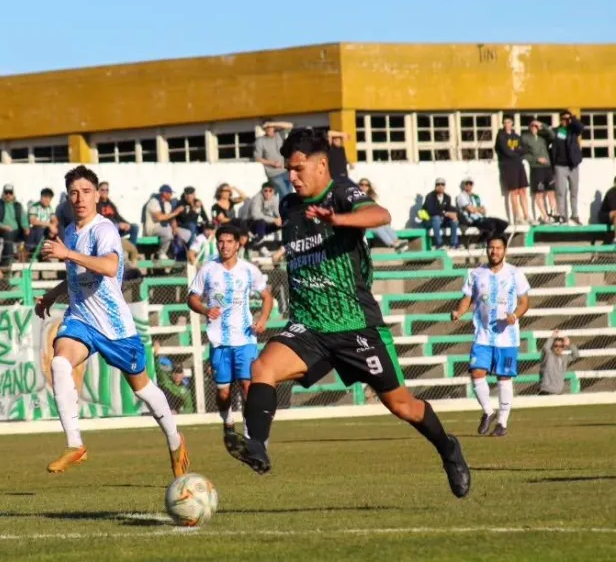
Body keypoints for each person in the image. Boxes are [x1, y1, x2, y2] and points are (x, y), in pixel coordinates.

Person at [224, 128, 470, 499]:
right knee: (262, 369)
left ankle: (448, 448)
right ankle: (257, 444)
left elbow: (380, 213)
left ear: (321, 165)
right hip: (309, 326)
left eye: (297, 168)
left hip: (356, 325)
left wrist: (339, 220)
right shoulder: (290, 206)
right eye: (288, 169)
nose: (291, 176)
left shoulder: (341, 192)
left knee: (402, 405)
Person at [35, 165, 190, 476]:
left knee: (143, 389)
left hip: (113, 325)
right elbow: (77, 275)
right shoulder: (70, 232)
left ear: (97, 196)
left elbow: (107, 266)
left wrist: (68, 255)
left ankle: (175, 440)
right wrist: (53, 294)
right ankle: (75, 444)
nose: (80, 198)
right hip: (81, 319)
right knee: (60, 362)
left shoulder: (103, 230)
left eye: (86, 192)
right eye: (74, 193)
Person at [188, 225, 272, 443]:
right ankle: (227, 421)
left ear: (238, 244)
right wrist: (206, 309)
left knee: (247, 386)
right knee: (223, 392)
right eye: (221, 242)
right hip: (219, 342)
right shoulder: (208, 270)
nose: (224, 246)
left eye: (229, 241)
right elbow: (192, 298)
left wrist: (262, 320)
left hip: (245, 338)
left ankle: (249, 430)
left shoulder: (248, 270)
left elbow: (267, 296)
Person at [451, 235, 530, 438]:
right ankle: (488, 411)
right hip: (483, 335)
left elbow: (524, 302)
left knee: (504, 378)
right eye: (490, 248)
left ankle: (502, 422)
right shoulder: (475, 273)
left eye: (498, 248)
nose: (494, 251)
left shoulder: (515, 274)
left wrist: (515, 315)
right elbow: (466, 299)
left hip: (507, 337)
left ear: (505, 250)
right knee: (477, 372)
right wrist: (459, 312)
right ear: (486, 250)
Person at [495, 117, 531, 224]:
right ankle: (518, 216)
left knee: (523, 190)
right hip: (508, 166)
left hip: (519, 165)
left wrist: (515, 150)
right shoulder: (501, 136)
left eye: (509, 122)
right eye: (505, 122)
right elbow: (506, 151)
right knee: (513, 191)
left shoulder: (516, 136)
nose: (507, 124)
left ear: (512, 123)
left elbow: (524, 149)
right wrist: (517, 151)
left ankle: (527, 215)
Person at [521, 119, 559, 224]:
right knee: (539, 193)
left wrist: (542, 124)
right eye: (532, 126)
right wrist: (536, 159)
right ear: (529, 127)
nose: (534, 128)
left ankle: (554, 213)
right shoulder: (525, 138)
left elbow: (552, 135)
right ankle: (544, 215)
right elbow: (523, 154)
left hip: (547, 167)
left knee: (551, 191)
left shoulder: (543, 138)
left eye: (536, 126)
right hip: (536, 168)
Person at [551, 110, 584, 225]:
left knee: (574, 191)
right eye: (563, 119)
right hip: (560, 166)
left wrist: (572, 118)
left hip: (573, 165)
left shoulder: (573, 130)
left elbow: (581, 127)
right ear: (560, 119)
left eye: (566, 119)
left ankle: (574, 215)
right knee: (561, 192)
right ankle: (562, 216)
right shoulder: (556, 131)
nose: (565, 121)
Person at [357, 179, 408, 252]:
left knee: (385, 225)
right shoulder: (355, 197)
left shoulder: (370, 198)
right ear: (358, 186)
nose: (364, 187)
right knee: (377, 227)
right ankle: (393, 244)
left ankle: (397, 241)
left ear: (369, 187)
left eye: (366, 185)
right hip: (361, 224)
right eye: (361, 184)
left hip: (371, 221)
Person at [456, 178, 508, 245]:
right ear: (464, 185)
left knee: (503, 224)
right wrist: (478, 209)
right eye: (467, 184)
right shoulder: (461, 196)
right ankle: (480, 242)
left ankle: (491, 240)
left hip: (482, 217)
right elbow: (471, 210)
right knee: (491, 226)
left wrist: (476, 209)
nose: (469, 186)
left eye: (470, 184)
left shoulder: (476, 196)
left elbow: (484, 211)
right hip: (472, 220)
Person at [253, 120, 294, 197]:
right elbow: (257, 158)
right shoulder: (260, 141)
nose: (269, 129)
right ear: (263, 129)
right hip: (274, 174)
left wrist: (272, 123)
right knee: (285, 194)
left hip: (286, 171)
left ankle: (286, 209)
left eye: (270, 127)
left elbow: (290, 125)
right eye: (266, 127)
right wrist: (272, 163)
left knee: (289, 194)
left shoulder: (279, 135)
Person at [422, 178, 460, 249]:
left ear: (444, 186)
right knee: (436, 218)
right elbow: (431, 211)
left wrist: (454, 215)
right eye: (438, 184)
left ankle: (454, 243)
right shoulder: (430, 196)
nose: (440, 186)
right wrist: (445, 213)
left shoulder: (447, 197)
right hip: (429, 220)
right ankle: (439, 243)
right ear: (435, 186)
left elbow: (448, 209)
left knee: (454, 221)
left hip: (441, 220)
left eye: (442, 184)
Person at [539, 329, 578, 395]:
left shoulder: (564, 358)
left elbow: (576, 355)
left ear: (563, 347)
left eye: (561, 346)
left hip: (558, 391)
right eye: (556, 346)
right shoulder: (548, 356)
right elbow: (545, 348)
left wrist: (569, 344)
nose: (558, 348)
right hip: (546, 390)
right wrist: (552, 337)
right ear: (552, 347)